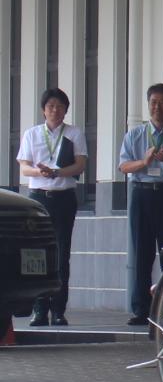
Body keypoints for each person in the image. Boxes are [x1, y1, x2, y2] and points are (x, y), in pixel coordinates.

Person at [16, 87, 88, 327]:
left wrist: (57, 172)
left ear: (66, 110)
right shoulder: (32, 134)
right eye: (50, 106)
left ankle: (58, 309)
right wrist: (41, 172)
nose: (55, 110)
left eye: (59, 106)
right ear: (43, 110)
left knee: (61, 254)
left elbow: (80, 165)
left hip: (64, 198)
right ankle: (39, 309)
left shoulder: (74, 133)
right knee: (36, 254)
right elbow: (24, 168)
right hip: (38, 199)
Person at [118, 83, 163, 326]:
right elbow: (124, 166)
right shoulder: (135, 135)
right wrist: (144, 162)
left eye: (162, 102)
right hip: (142, 194)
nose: (157, 107)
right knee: (141, 253)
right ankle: (141, 309)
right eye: (153, 102)